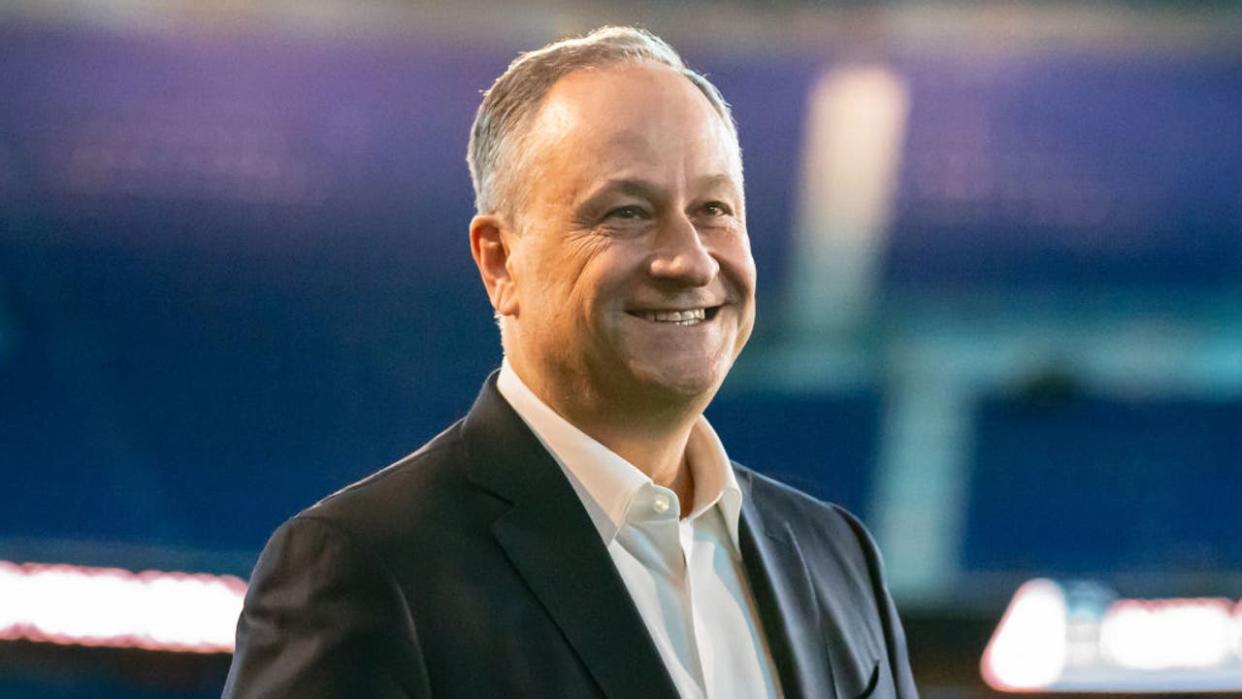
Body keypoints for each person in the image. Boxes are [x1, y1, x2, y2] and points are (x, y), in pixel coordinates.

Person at [223, 26, 917, 699]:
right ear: (500, 261)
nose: (690, 259)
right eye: (625, 212)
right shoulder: (364, 567)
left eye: (713, 209)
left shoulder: (835, 553)